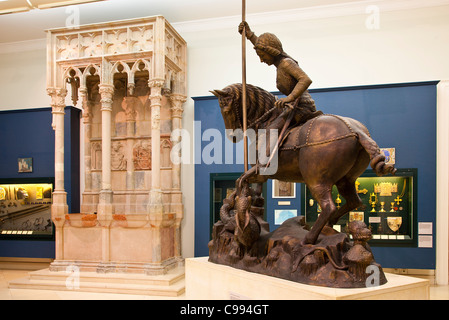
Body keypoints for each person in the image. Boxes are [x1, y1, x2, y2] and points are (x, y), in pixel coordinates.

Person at [238, 22, 321, 141]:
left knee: (269, 134)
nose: (261, 60)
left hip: (302, 107)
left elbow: (305, 79)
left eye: (263, 56)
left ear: (271, 52)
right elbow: (262, 46)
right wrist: (249, 34)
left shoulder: (286, 63)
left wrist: (289, 98)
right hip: (294, 106)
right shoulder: (280, 63)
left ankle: (268, 159)